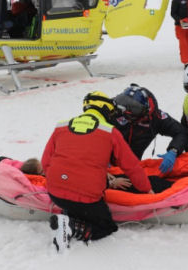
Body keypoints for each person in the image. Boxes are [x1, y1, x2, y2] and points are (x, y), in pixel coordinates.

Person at [42, 91, 152, 249]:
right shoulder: (110, 132)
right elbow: (131, 166)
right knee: (107, 226)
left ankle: (69, 217)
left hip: (55, 192)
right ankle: (72, 227)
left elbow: (46, 162)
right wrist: (146, 189)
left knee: (76, 204)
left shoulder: (61, 127)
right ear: (107, 111)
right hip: (87, 197)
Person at [112, 83, 188, 175]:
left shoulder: (156, 118)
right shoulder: (116, 110)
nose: (127, 114)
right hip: (105, 161)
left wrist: (174, 150)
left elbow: (181, 132)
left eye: (133, 111)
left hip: (131, 168)